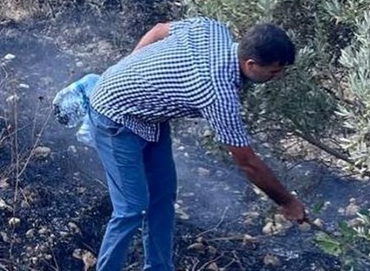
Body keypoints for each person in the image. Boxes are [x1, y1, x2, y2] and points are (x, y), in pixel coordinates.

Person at [86, 17, 305, 271]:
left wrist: (132, 71)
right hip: (113, 115)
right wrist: (287, 202)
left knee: (163, 197)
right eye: (274, 71)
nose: (276, 77)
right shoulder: (217, 92)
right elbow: (248, 164)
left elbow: (158, 30)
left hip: (151, 117)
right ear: (251, 64)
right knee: (131, 208)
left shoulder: (212, 28)